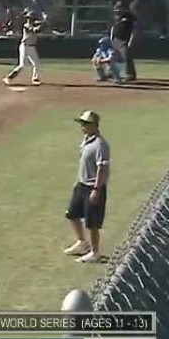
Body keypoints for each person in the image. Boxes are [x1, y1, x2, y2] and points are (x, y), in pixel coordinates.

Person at [63, 110, 110, 264]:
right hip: (81, 185)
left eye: (86, 124)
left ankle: (95, 253)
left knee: (92, 223)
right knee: (72, 214)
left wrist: (96, 189)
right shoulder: (87, 139)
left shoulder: (100, 145)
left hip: (93, 188)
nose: (82, 127)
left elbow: (102, 169)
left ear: (95, 125)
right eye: (82, 124)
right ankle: (82, 243)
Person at [3, 10, 43, 86]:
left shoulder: (34, 24)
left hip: (32, 47)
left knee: (36, 64)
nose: (30, 19)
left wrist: (42, 24)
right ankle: (8, 77)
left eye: (31, 18)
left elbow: (37, 27)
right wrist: (41, 25)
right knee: (22, 65)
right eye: (29, 18)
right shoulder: (26, 25)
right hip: (25, 46)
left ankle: (35, 78)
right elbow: (35, 30)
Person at [111, 2, 138, 82]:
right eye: (116, 8)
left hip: (124, 40)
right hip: (115, 39)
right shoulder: (116, 17)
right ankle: (113, 73)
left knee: (126, 57)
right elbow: (113, 27)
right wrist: (111, 38)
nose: (117, 10)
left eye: (119, 8)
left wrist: (131, 40)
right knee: (113, 57)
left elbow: (134, 30)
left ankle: (130, 74)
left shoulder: (129, 17)